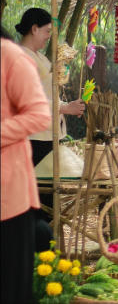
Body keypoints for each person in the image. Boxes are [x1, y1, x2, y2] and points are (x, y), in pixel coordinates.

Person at [1, 26, 51, 303]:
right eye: (46, 31)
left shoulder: (11, 56)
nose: (48, 36)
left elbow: (40, 114)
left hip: (9, 194)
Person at [15, 8, 85, 168]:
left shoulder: (40, 58)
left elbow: (47, 93)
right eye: (47, 31)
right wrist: (64, 108)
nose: (49, 36)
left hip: (47, 134)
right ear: (34, 29)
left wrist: (66, 106)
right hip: (32, 137)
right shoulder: (20, 57)